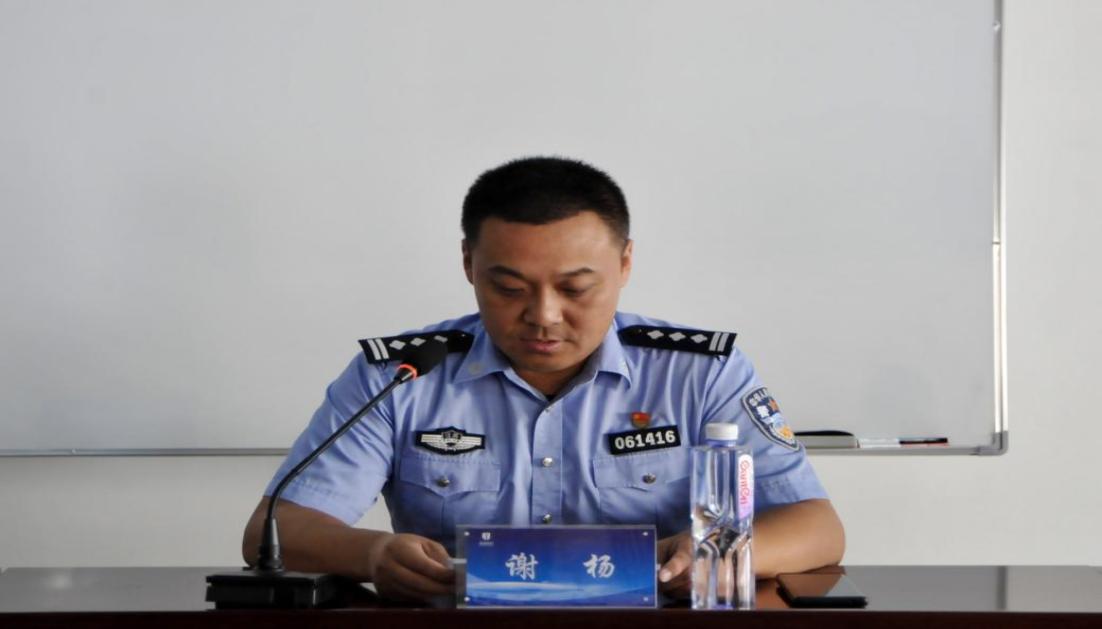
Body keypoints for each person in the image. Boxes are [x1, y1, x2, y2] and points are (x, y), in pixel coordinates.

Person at [242, 156, 845, 602]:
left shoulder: (699, 373)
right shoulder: (402, 374)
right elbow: (276, 529)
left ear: (625, 263)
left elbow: (816, 527)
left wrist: (715, 552)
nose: (544, 315)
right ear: (468, 264)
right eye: (509, 289)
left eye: (575, 288)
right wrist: (373, 553)